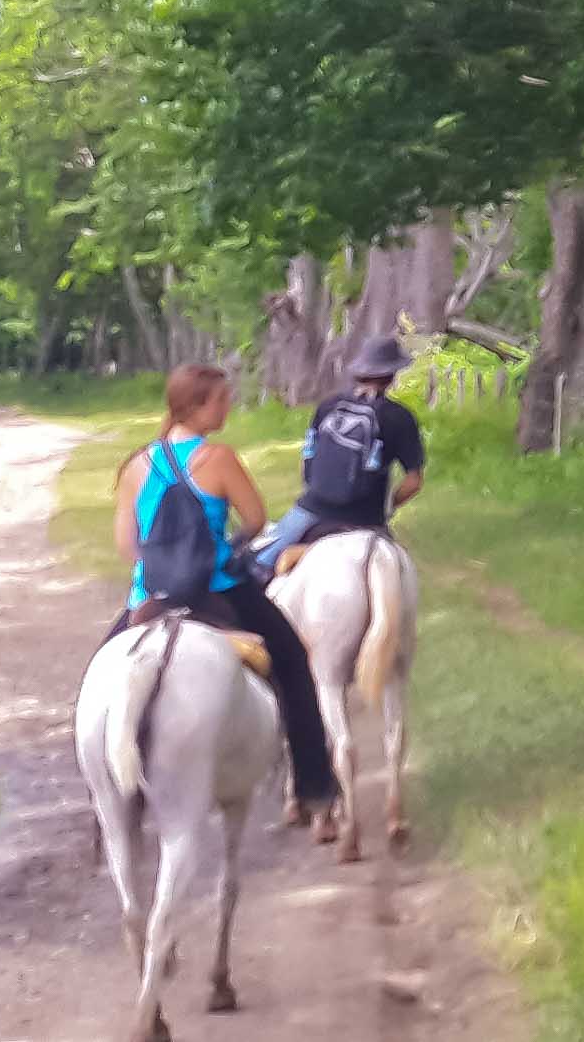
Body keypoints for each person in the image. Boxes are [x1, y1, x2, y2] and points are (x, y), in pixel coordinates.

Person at [111, 362, 339, 823]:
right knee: (294, 662)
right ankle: (314, 786)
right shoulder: (218, 458)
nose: (227, 407)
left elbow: (126, 544)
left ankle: (107, 803)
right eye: (221, 400)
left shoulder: (136, 464)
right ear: (196, 406)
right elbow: (255, 520)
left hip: (150, 599)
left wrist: (159, 567)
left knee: (99, 677)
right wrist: (223, 547)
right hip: (216, 591)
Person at [247, 335, 429, 575]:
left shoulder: (328, 406)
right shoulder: (401, 417)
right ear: (392, 375)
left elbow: (309, 461)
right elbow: (413, 482)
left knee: (256, 564)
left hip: (313, 508)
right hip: (367, 519)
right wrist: (387, 508)